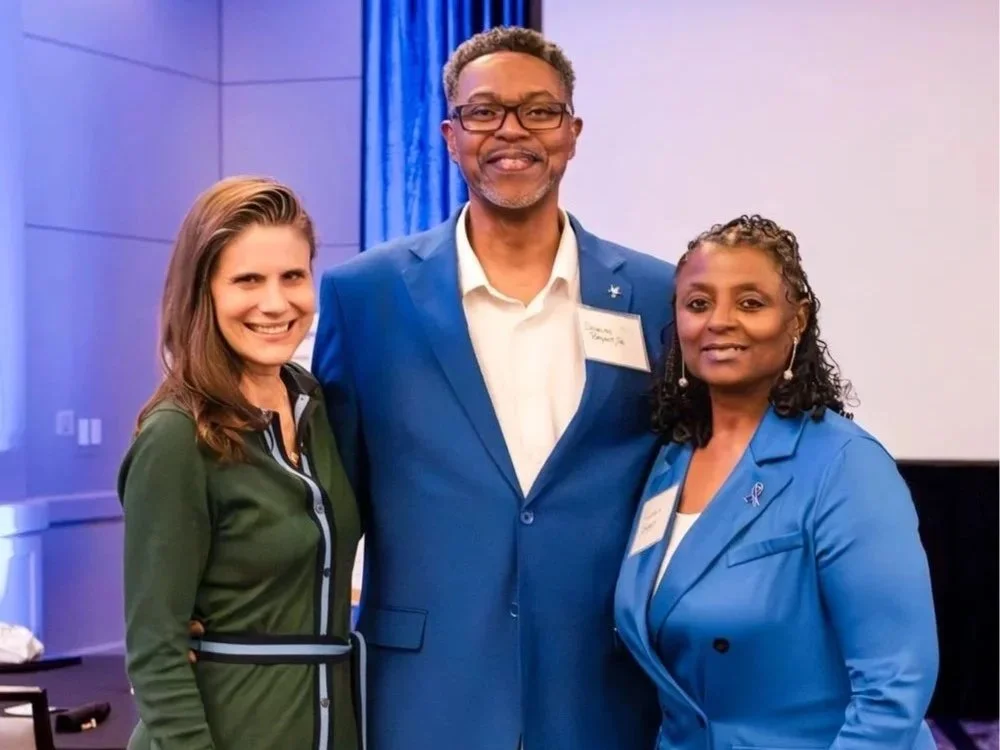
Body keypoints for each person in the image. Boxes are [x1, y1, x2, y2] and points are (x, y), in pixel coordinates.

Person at [313, 26, 670, 750]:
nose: (512, 130)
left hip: (603, 693)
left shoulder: (656, 297)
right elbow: (327, 499)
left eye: (539, 111)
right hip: (423, 695)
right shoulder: (367, 296)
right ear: (450, 134)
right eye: (484, 112)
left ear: (572, 133)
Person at [614, 214, 939, 749]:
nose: (719, 321)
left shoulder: (845, 466)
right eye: (698, 304)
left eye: (750, 303)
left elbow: (893, 689)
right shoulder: (670, 461)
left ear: (797, 319)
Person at [119, 177, 363, 750]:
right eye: (247, 280)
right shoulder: (177, 437)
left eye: (293, 277)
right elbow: (156, 649)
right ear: (203, 292)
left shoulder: (319, 406)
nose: (275, 303)